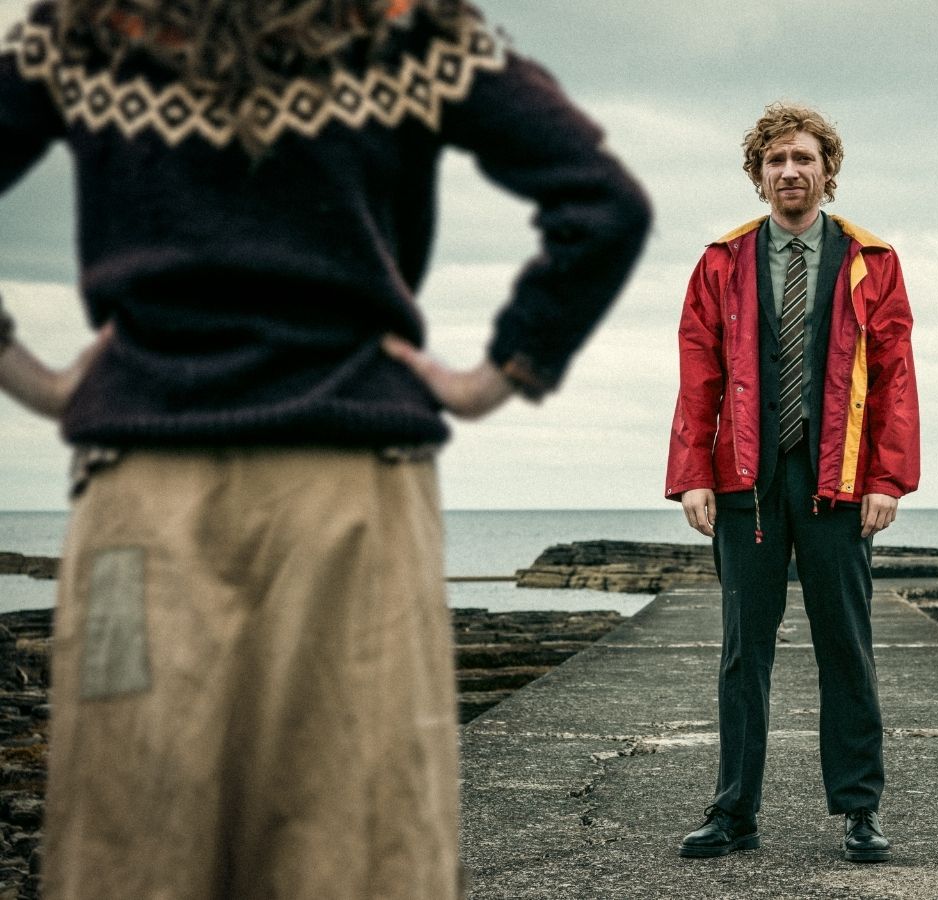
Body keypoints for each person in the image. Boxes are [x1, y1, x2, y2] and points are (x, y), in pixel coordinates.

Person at [0, 0, 649, 896]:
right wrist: (499, 372)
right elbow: (603, 201)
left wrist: (29, 375)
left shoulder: (87, 24)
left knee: (130, 833)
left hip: (141, 485)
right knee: (355, 838)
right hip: (349, 481)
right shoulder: (407, 25)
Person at [664, 101, 919, 862]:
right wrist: (691, 477)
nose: (790, 171)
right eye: (775, 160)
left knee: (847, 645)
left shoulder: (874, 261)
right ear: (758, 175)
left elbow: (897, 377)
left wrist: (888, 478)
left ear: (827, 172)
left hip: (837, 481)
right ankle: (733, 812)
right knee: (745, 650)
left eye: (803, 158)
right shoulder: (722, 260)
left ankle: (860, 811)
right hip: (745, 482)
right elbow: (698, 371)